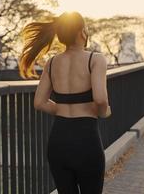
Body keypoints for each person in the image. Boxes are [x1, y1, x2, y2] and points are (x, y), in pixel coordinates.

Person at [18, 11, 112, 194]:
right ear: (82, 32)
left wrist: (63, 108)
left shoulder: (52, 63)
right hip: (86, 141)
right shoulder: (95, 59)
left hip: (58, 142)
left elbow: (39, 102)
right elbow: (101, 100)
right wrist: (103, 111)